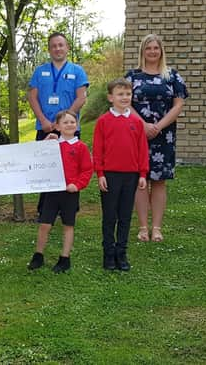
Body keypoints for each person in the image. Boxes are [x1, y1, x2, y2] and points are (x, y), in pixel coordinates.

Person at [126, 34, 188, 243]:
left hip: (164, 135)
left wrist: (158, 126)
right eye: (148, 48)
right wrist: (143, 125)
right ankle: (143, 227)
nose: (152, 52)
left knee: (159, 181)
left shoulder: (172, 76)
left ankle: (157, 228)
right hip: (137, 134)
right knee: (141, 181)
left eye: (156, 48)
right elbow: (124, 103)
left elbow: (178, 104)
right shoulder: (132, 77)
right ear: (142, 51)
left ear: (161, 51)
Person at [28, 32, 89, 221]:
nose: (57, 48)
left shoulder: (77, 71)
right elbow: (32, 97)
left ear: (67, 47)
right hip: (45, 127)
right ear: (49, 49)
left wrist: (65, 120)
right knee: (46, 168)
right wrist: (45, 121)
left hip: (69, 128)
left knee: (70, 167)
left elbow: (81, 97)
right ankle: (45, 208)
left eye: (61, 45)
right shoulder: (40, 71)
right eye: (53, 45)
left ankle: (69, 207)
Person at [93, 78, 149, 271]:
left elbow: (142, 149)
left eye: (128, 94)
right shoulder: (103, 122)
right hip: (110, 175)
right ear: (111, 97)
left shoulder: (136, 122)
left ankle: (121, 254)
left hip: (131, 176)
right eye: (120, 94)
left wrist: (142, 173)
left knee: (125, 216)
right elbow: (98, 150)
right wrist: (100, 173)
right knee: (110, 216)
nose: (125, 97)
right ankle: (108, 255)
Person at [27, 110, 93, 273]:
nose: (70, 125)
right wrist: (46, 141)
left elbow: (87, 170)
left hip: (70, 193)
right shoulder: (52, 145)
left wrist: (77, 185)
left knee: (68, 225)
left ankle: (65, 258)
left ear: (77, 125)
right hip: (52, 191)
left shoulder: (81, 147)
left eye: (72, 122)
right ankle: (38, 255)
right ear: (57, 126)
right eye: (65, 122)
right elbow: (37, 158)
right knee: (44, 224)